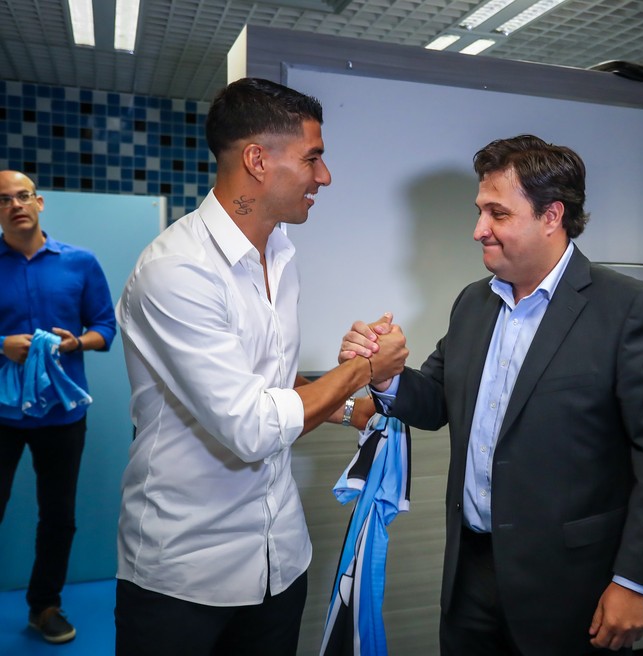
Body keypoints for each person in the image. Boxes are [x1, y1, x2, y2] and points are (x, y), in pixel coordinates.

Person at [342, 135, 643, 656]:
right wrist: (385, 375)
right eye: (480, 210)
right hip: (471, 573)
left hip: (574, 587)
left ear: (551, 215)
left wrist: (634, 581)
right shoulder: (473, 303)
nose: (478, 229)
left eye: (497, 213)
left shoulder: (627, 309)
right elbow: (438, 398)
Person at [113, 77, 407, 656]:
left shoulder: (279, 254)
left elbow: (271, 385)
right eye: (313, 158)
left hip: (279, 560)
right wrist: (362, 371)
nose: (324, 177)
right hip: (185, 574)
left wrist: (353, 408)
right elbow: (250, 426)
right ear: (256, 159)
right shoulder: (176, 272)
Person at [0, 170, 117, 644]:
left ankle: (44, 605)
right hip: (1, 414)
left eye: (22, 196)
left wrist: (76, 343)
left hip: (62, 414)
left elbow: (105, 328)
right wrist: (1, 344)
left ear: (40, 202)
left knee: (59, 515)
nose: (15, 205)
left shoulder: (80, 263)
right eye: (3, 199)